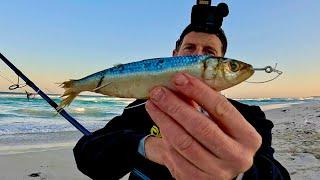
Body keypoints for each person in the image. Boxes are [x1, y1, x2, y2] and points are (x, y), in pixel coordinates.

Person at [73, 12, 290, 180]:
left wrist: (242, 173)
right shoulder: (142, 108)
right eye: (189, 48)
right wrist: (146, 146)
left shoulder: (251, 117)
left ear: (221, 60)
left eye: (209, 52)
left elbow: (278, 175)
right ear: (174, 56)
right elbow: (86, 156)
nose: (197, 57)